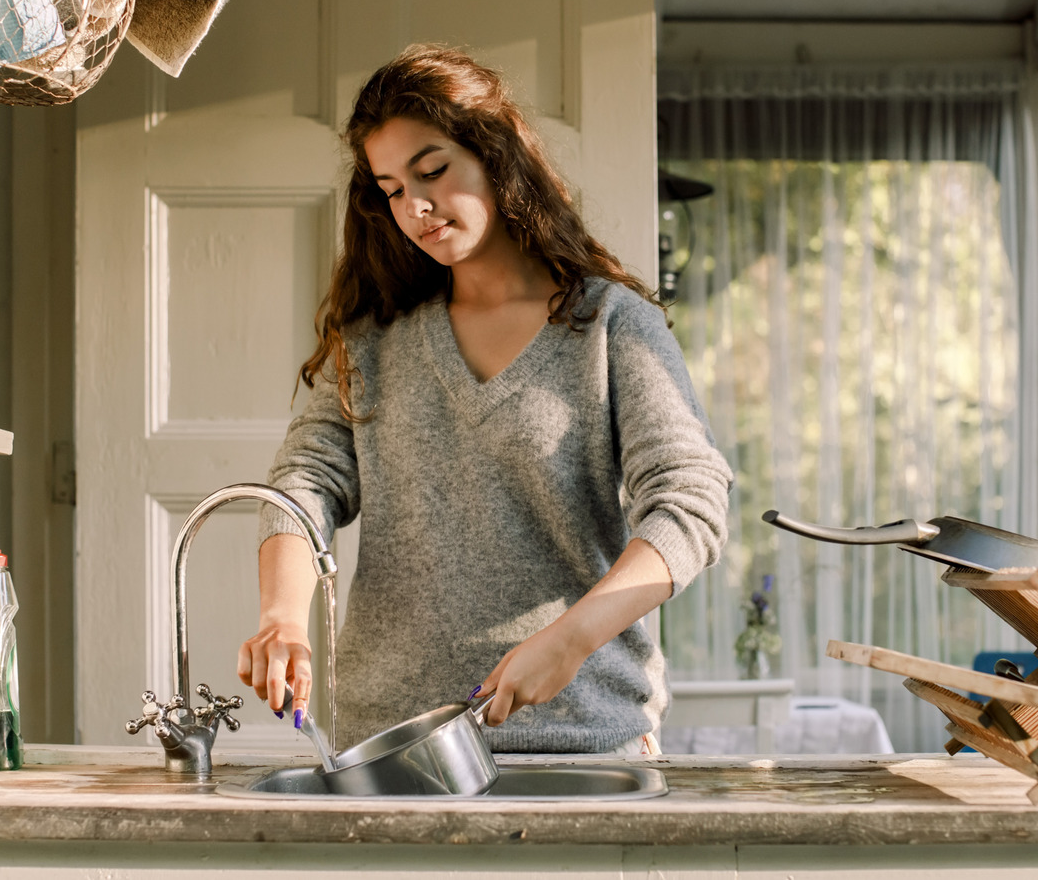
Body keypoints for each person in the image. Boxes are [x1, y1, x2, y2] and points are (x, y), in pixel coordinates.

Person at [236, 45, 732, 755]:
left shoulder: (611, 327)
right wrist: (282, 616)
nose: (416, 207)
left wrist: (571, 638)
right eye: (392, 189)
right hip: (394, 746)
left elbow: (691, 500)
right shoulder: (374, 340)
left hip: (580, 738)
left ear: (496, 155)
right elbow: (303, 480)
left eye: (432, 170)